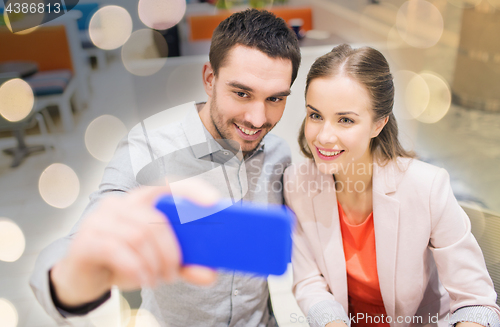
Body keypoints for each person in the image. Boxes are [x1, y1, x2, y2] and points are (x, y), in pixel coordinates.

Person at [30, 9, 301, 327]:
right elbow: (77, 242)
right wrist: (72, 278)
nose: (258, 119)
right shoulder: (148, 148)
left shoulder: (279, 154)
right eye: (242, 93)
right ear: (210, 80)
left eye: (275, 99)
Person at [283, 44, 500, 327]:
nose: (323, 137)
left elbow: (477, 303)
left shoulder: (427, 187)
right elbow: (309, 281)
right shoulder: (297, 182)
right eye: (315, 115)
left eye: (345, 120)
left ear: (378, 124)